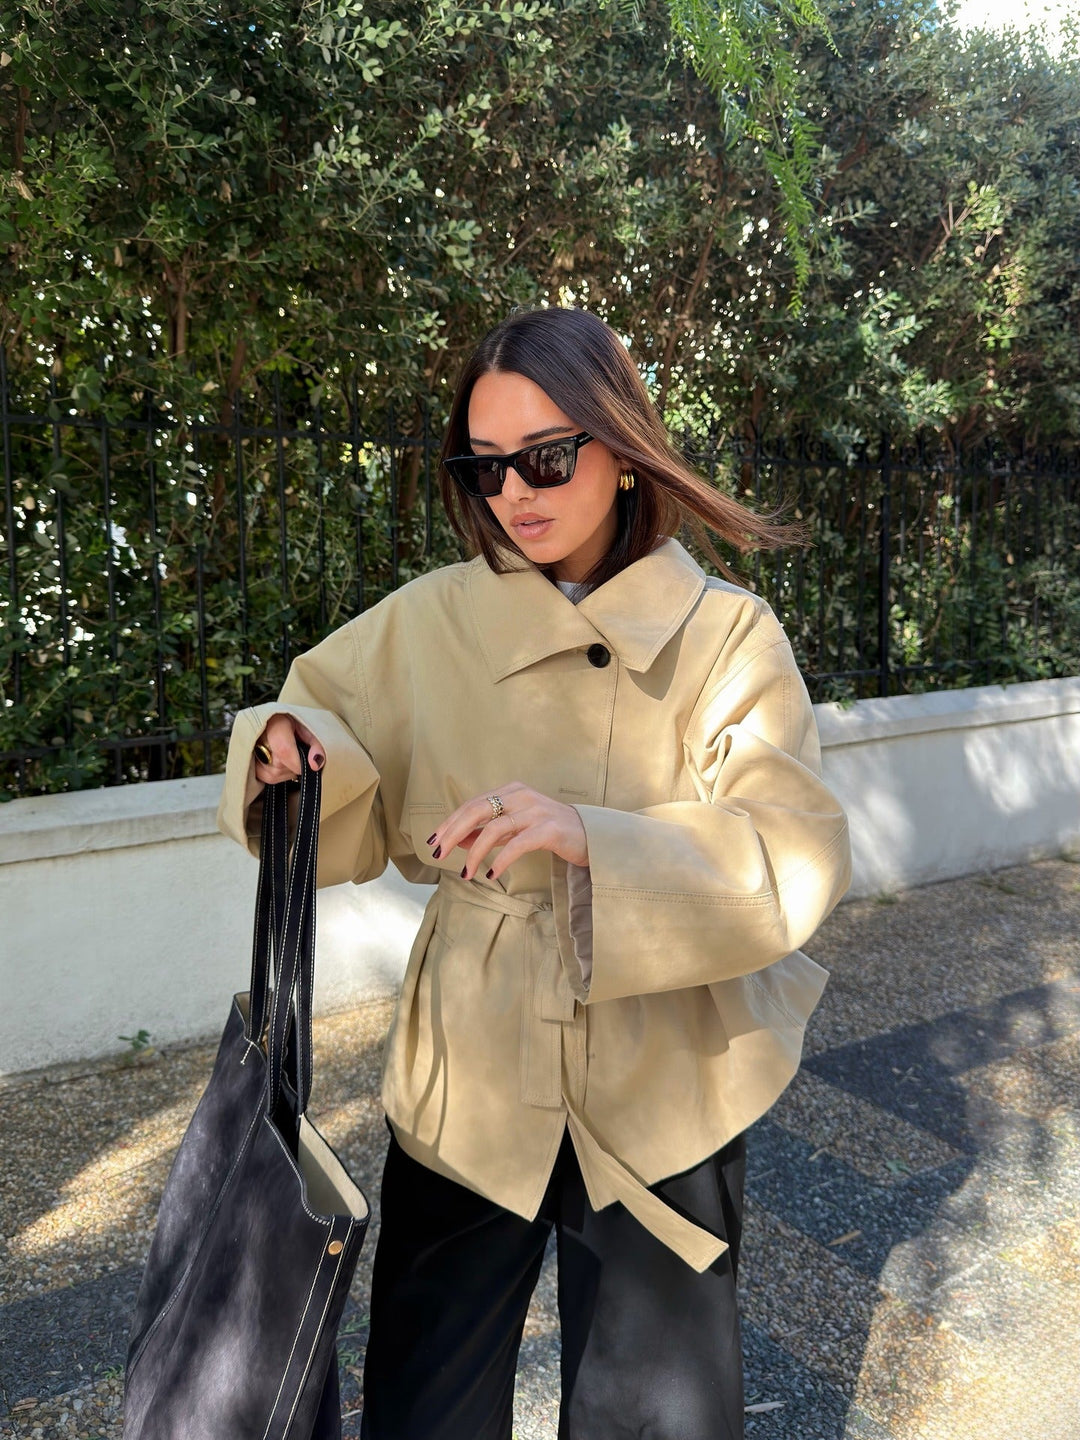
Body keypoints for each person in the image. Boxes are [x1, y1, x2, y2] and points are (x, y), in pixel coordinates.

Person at [217, 305, 852, 1440]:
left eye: (547, 456)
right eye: (486, 464)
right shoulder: (433, 620)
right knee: (425, 1397)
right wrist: (287, 749)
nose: (516, 491)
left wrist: (595, 838)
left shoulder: (727, 637)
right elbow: (324, 716)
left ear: (620, 451)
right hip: (471, 1061)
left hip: (665, 1068)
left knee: (655, 1413)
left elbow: (789, 848)